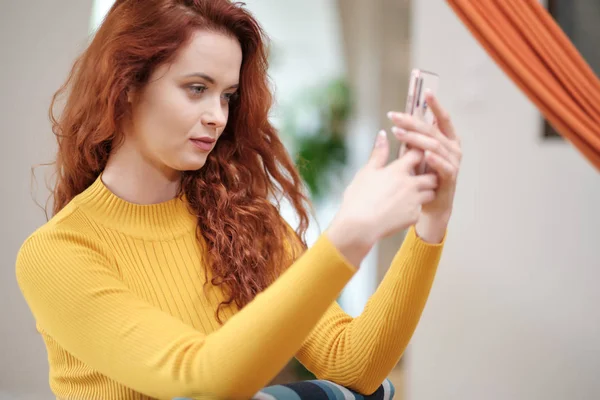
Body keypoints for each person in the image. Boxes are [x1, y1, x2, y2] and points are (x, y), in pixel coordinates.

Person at [15, 0, 462, 399]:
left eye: (227, 96)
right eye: (196, 88)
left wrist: (432, 221)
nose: (217, 116)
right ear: (126, 85)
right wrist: (348, 238)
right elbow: (201, 380)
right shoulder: (58, 254)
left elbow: (355, 366)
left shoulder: (245, 222)